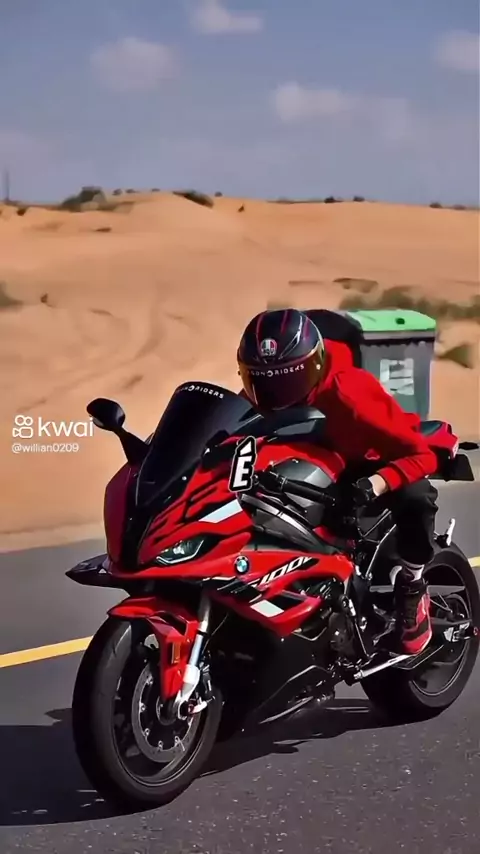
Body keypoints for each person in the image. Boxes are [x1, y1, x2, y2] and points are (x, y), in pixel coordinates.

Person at [236, 307, 439, 655]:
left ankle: (412, 587)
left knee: (415, 496)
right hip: (319, 463)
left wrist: (378, 482)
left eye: (286, 382)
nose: (274, 394)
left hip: (374, 461)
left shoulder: (349, 392)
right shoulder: (260, 397)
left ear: (313, 366)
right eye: (262, 382)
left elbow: (422, 455)